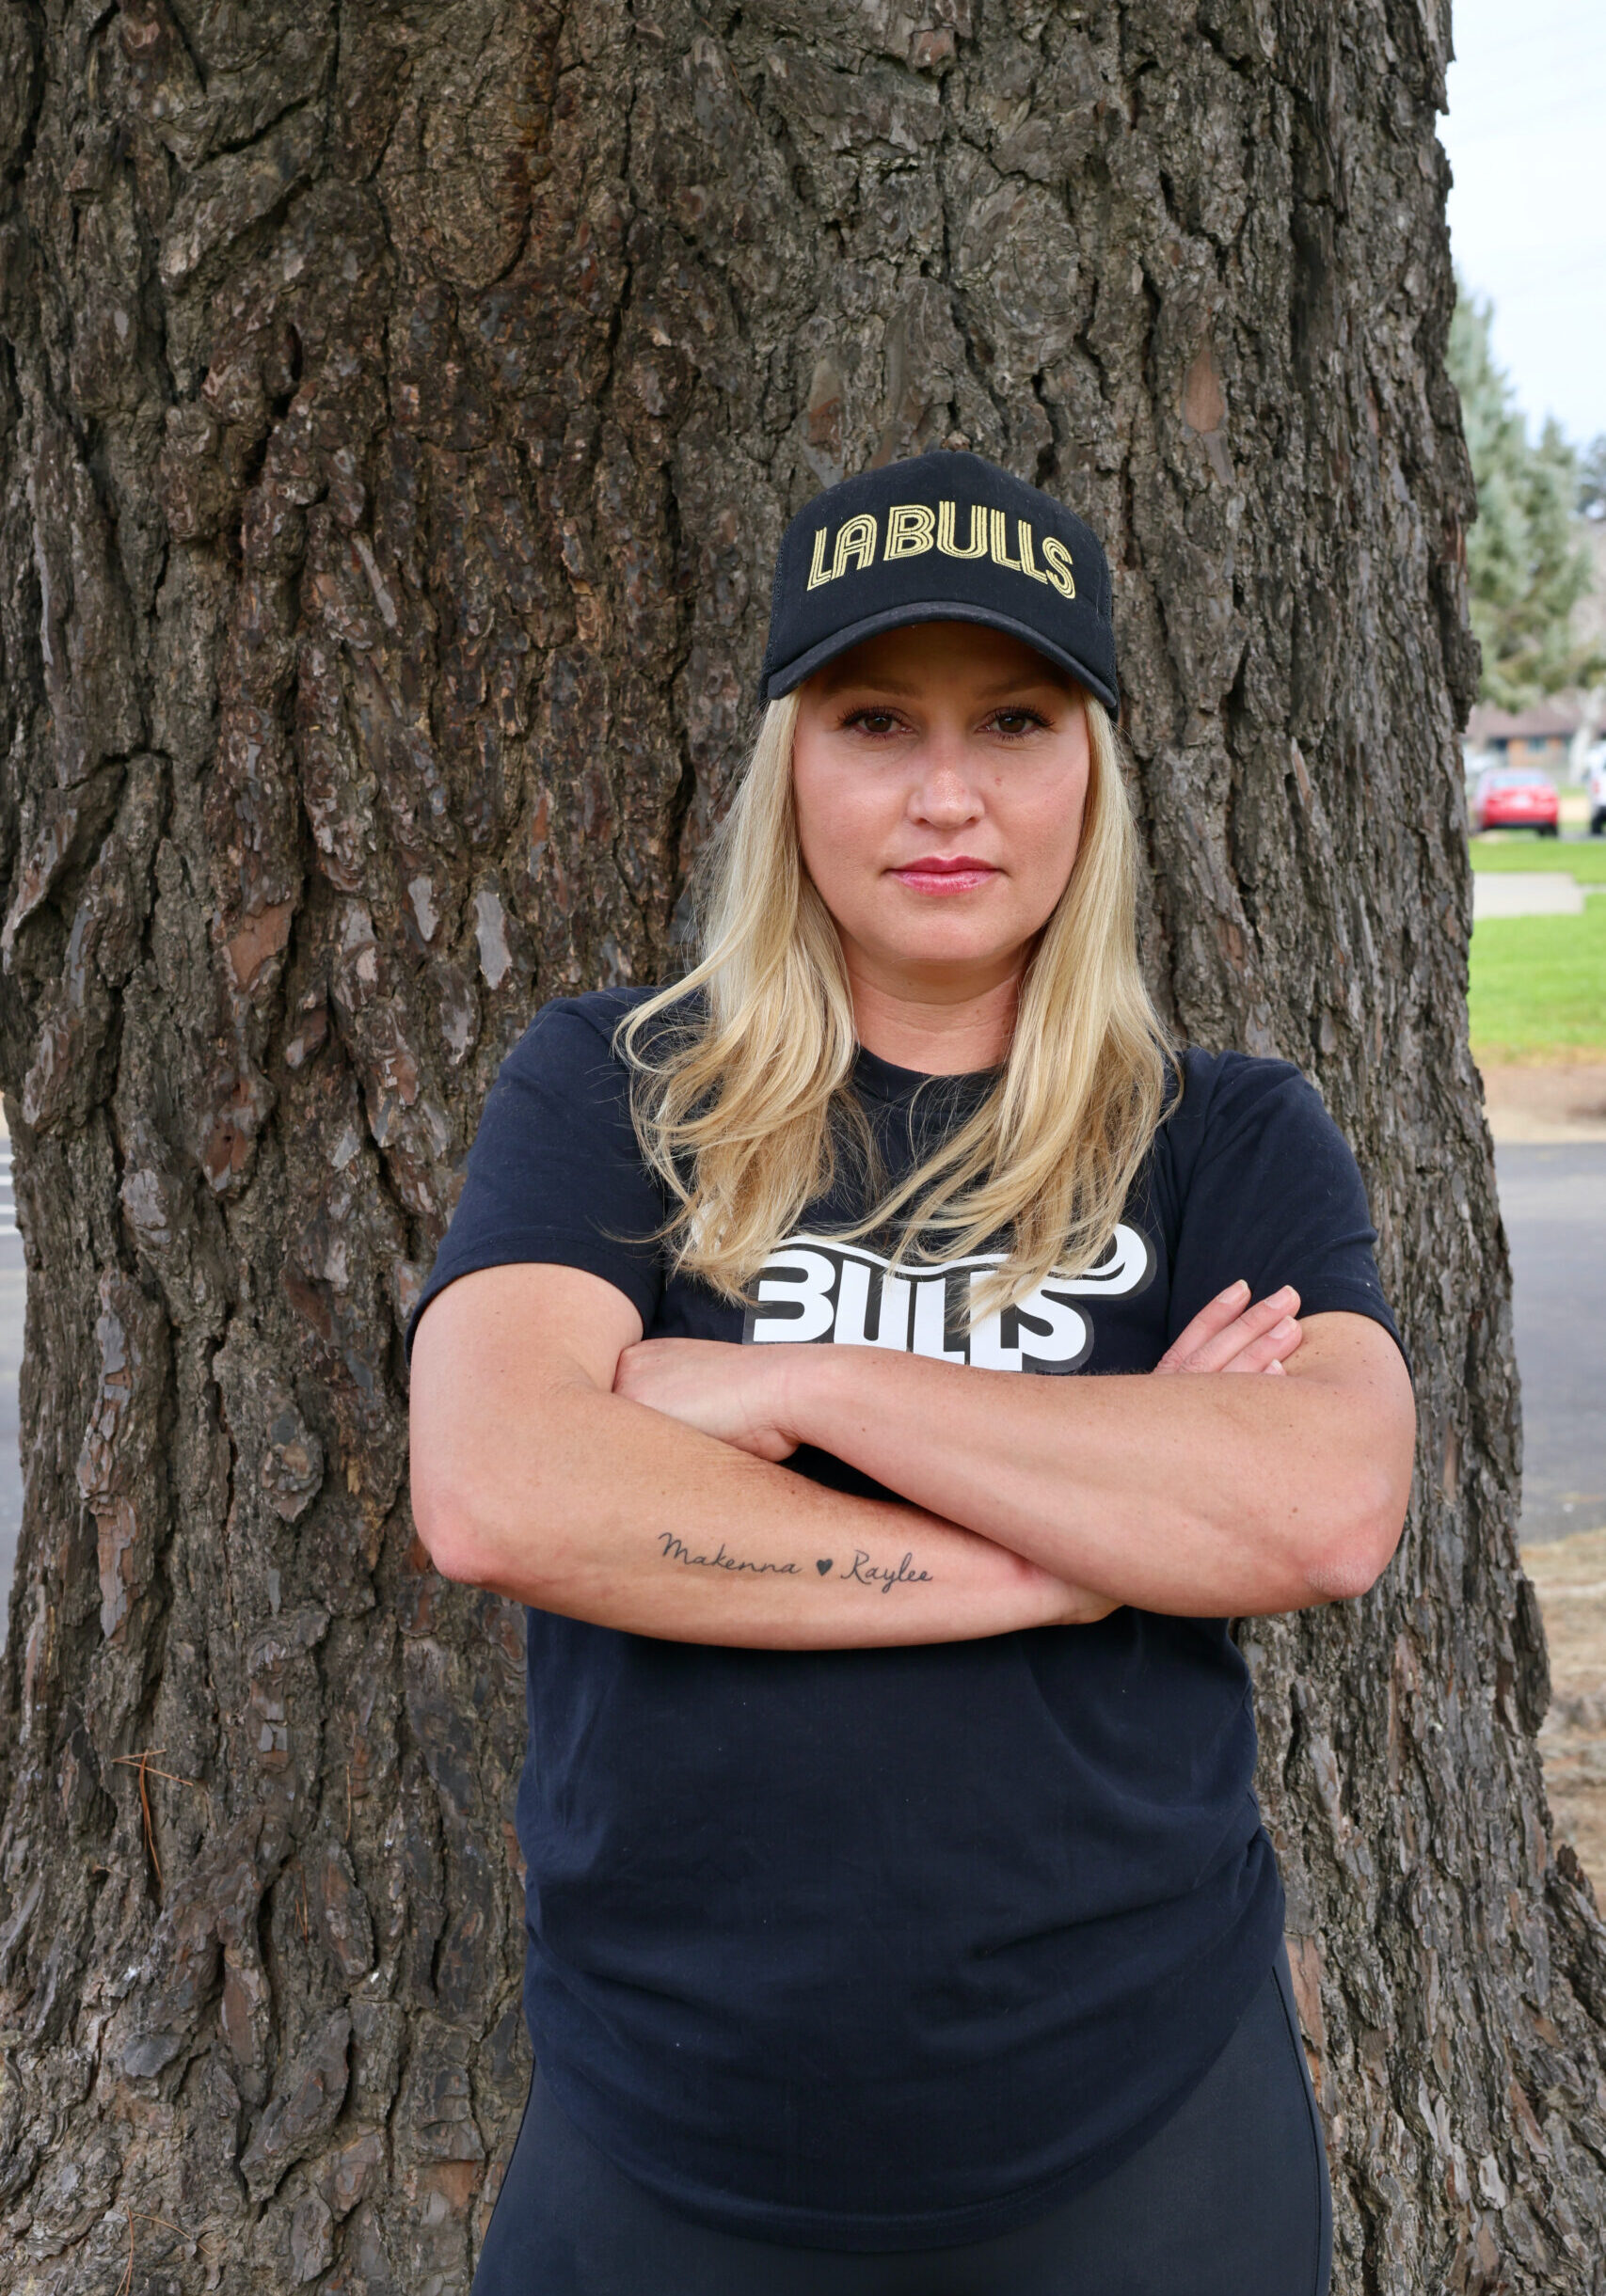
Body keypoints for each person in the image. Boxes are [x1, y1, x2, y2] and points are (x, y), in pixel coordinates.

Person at [406, 450, 1416, 2296]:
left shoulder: (1221, 1134)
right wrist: (1086, 1540)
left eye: (1013, 720)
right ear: (788, 764)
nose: (945, 792)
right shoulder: (616, 1090)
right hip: (666, 2124)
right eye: (875, 718)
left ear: (1089, 773)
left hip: (1136, 2123)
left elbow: (1322, 1504)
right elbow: (504, 1488)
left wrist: (800, 1391)